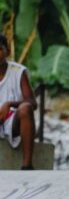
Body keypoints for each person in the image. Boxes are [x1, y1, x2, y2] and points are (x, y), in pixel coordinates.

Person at [0, 34, 37, 170]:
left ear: (7, 51)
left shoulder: (18, 72)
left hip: (12, 121)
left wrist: (9, 104)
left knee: (25, 107)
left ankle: (27, 165)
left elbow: (32, 103)